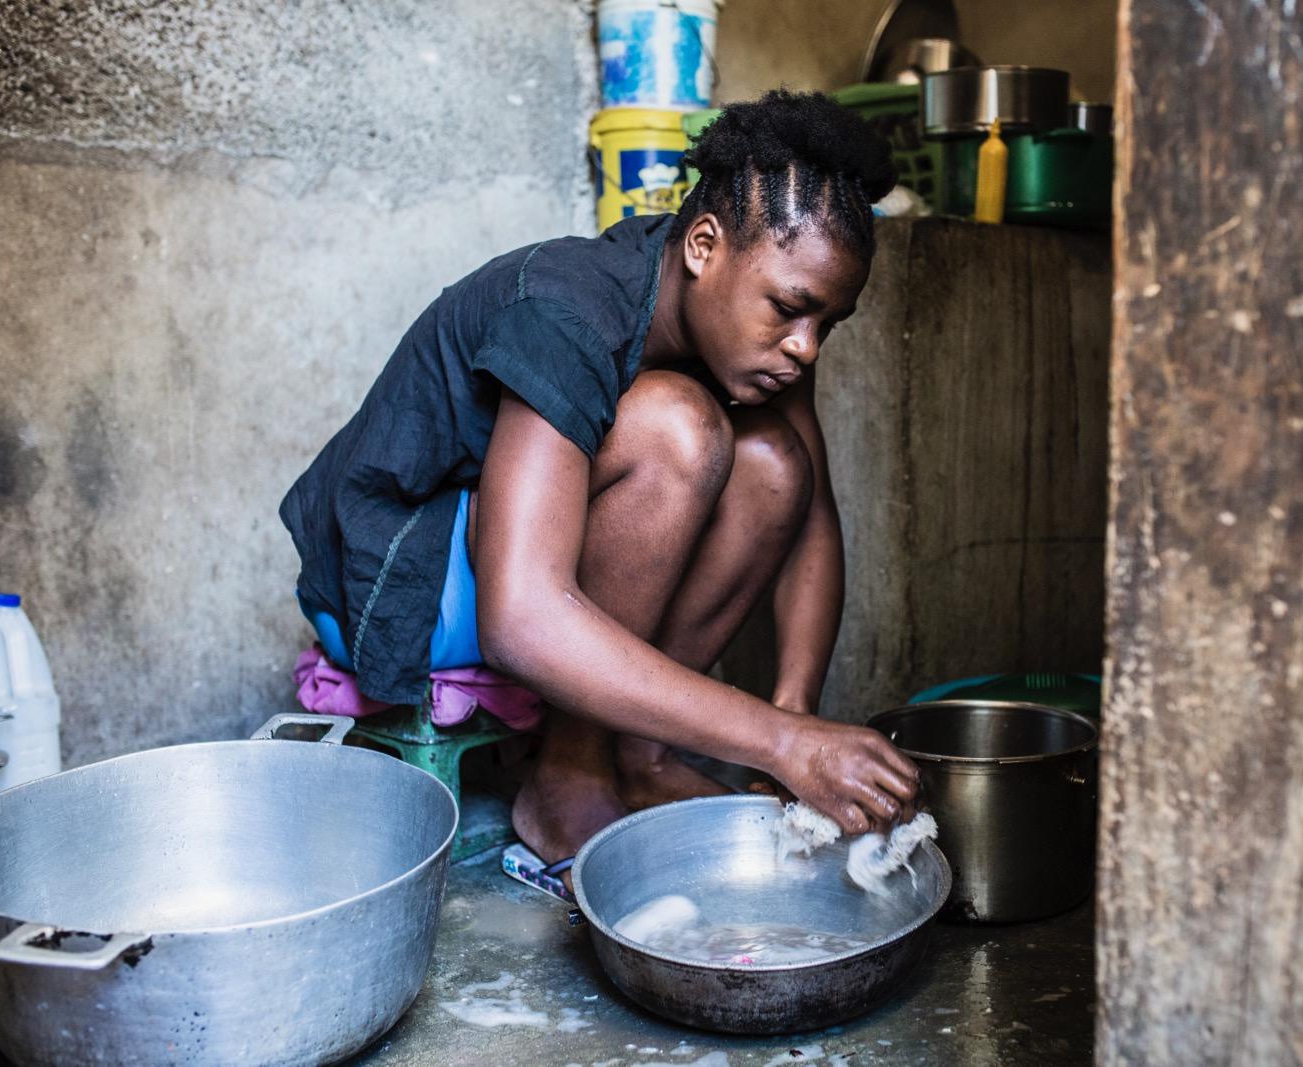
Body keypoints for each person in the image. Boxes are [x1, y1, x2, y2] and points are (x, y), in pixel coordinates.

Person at [280, 90, 918, 869]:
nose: (806, 346)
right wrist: (781, 741)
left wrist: (795, 716)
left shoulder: (756, 334)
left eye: (827, 323)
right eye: (792, 309)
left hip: (504, 554)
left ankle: (638, 759)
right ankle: (567, 777)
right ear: (704, 247)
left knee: (776, 464)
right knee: (680, 428)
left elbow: (810, 514)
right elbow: (519, 618)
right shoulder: (569, 308)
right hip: (394, 579)